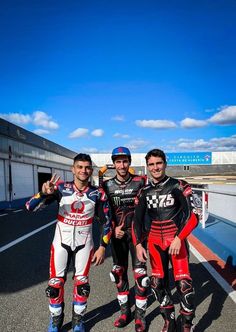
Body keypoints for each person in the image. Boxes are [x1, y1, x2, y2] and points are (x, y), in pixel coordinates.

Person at [26, 153, 112, 332]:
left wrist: (103, 247)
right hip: (61, 243)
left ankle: (78, 320)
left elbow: (106, 221)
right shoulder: (60, 188)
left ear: (91, 170)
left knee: (82, 284)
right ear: (73, 169)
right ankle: (56, 320)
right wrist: (43, 193)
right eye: (79, 167)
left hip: (85, 244)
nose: (83, 170)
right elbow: (29, 207)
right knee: (55, 285)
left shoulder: (98, 193)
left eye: (87, 167)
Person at [133, 149, 199, 332]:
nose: (155, 167)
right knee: (156, 284)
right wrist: (138, 244)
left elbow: (193, 216)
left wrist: (179, 238)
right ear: (147, 166)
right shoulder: (144, 192)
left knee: (184, 286)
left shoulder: (179, 185)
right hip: (154, 242)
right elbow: (136, 221)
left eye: (159, 163)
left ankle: (187, 324)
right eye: (152, 164)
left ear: (165, 164)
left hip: (176, 241)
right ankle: (169, 320)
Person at [102, 146, 149, 332]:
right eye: (118, 161)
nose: (122, 165)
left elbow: (148, 207)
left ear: (129, 162)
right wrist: (113, 230)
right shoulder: (106, 186)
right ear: (114, 164)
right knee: (118, 274)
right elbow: (102, 213)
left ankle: (140, 316)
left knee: (141, 276)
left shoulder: (141, 182)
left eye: (125, 161)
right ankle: (124, 313)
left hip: (137, 236)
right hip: (118, 236)